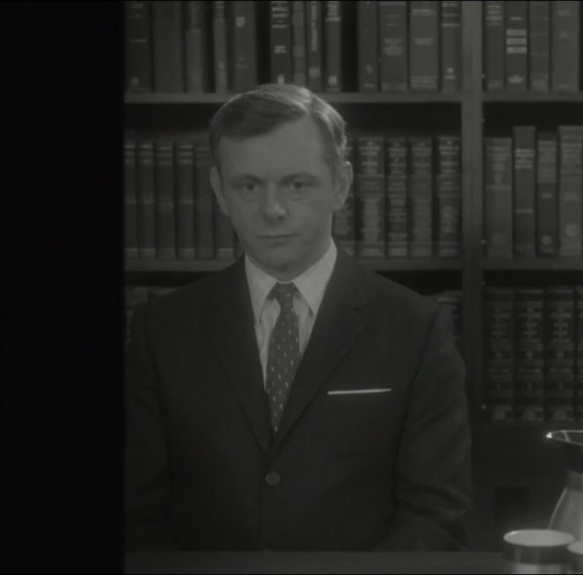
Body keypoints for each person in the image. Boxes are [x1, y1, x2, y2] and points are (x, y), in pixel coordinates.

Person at [124, 84, 472, 551]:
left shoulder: (416, 328)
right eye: (249, 186)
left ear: (340, 185)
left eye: (297, 184)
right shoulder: (161, 330)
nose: (273, 210)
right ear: (220, 192)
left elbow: (435, 517)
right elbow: (137, 518)